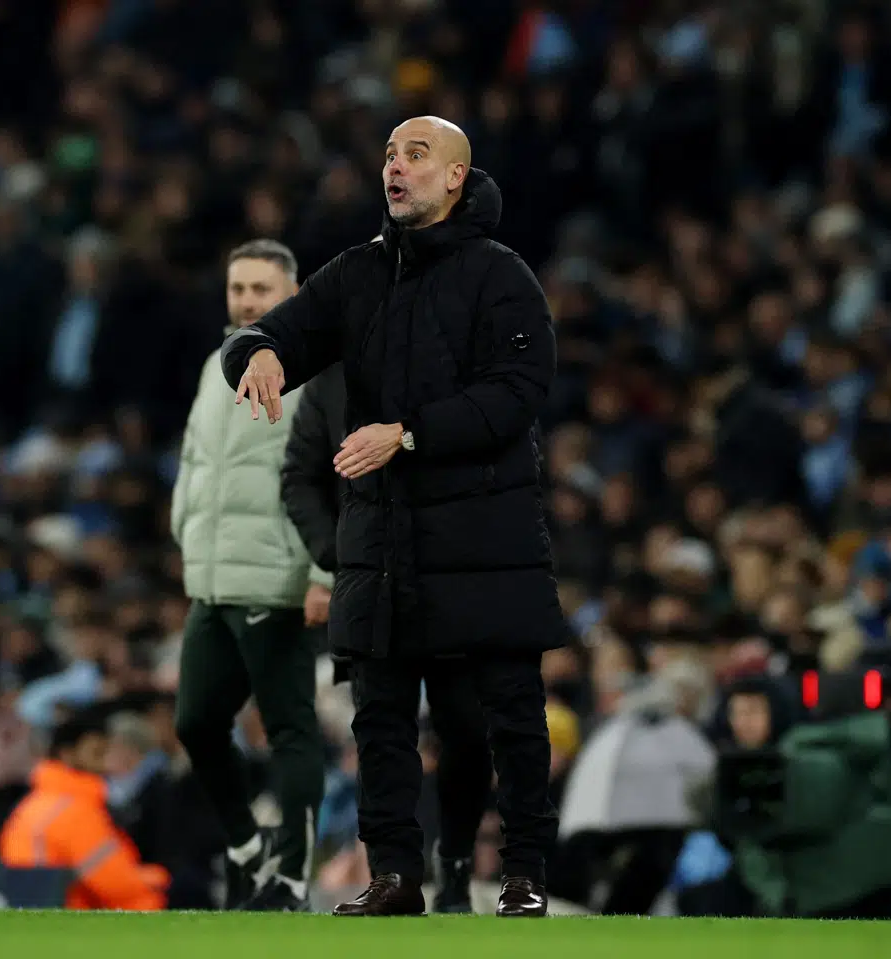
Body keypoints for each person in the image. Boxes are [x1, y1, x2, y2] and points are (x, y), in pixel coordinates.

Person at [222, 116, 563, 917]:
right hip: (382, 541)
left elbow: (517, 394)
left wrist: (406, 435)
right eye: (387, 154)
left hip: (486, 536)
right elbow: (275, 331)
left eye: (416, 154)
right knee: (380, 719)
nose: (394, 167)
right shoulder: (358, 274)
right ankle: (395, 876)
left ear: (455, 177)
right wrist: (261, 351)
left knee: (508, 715)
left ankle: (523, 872)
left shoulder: (502, 276)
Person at [282, 362, 493, 913]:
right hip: (369, 586)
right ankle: (393, 874)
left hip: (450, 579)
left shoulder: (454, 365)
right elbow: (300, 476)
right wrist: (339, 555)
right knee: (380, 733)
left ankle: (455, 863)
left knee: (466, 731)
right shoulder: (330, 381)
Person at [170, 240, 324, 912]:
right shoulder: (215, 363)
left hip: (276, 579)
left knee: (289, 729)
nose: (247, 301)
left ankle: (290, 874)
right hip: (211, 578)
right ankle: (245, 846)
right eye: (238, 288)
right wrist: (184, 528)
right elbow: (194, 458)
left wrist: (322, 569)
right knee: (196, 723)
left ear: (293, 291)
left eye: (261, 289)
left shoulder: (314, 366)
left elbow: (329, 471)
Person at [0, 711, 171, 911]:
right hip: (70, 923)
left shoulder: (33, 804)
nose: (104, 764)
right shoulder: (75, 812)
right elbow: (118, 887)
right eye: (96, 753)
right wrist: (160, 878)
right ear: (68, 754)